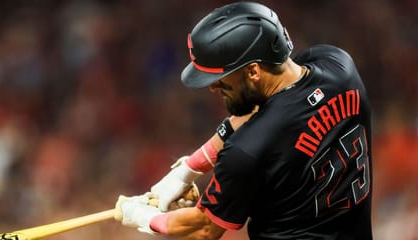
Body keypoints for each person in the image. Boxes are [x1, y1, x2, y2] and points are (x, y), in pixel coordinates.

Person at [115, 2, 373, 239]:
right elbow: (273, 109)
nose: (213, 87)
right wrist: (188, 171)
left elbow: (204, 228)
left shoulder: (246, 151)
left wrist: (141, 216)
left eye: (220, 77)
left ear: (253, 70)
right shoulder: (339, 67)